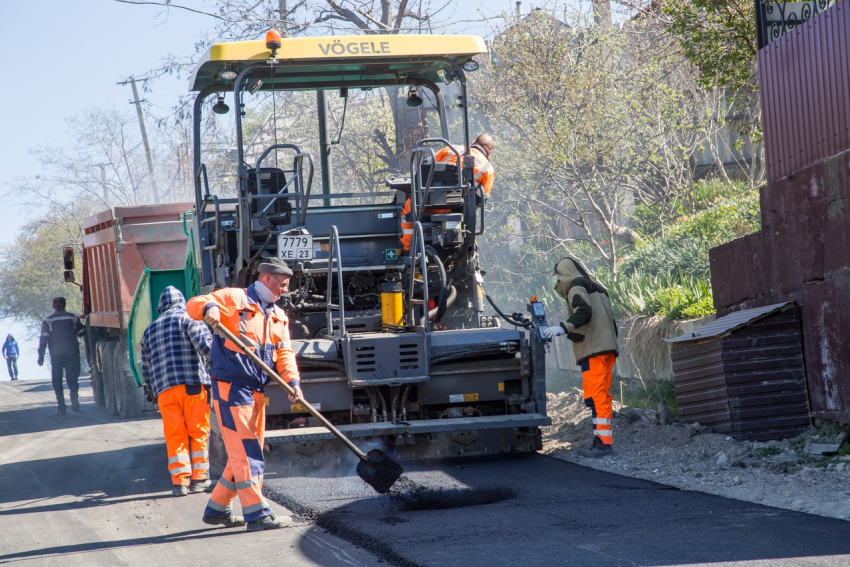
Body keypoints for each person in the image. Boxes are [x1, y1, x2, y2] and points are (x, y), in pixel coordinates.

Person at [187, 257, 303, 531]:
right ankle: (258, 514)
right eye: (283, 284)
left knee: (244, 451)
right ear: (267, 279)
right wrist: (211, 307)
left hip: (256, 391)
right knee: (247, 453)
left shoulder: (278, 316)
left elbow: (284, 354)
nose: (285, 289)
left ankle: (217, 508)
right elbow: (193, 304)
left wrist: (293, 382)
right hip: (231, 388)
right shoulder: (234, 298)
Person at [141, 286, 214, 498]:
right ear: (182, 301)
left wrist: (150, 389)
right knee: (198, 431)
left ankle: (180, 482)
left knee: (175, 435)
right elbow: (206, 348)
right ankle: (200, 479)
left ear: (161, 306)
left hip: (164, 391)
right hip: (192, 386)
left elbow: (145, 367)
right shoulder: (189, 319)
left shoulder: (150, 330)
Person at [543, 256, 619, 458]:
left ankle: (602, 445)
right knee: (602, 396)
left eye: (558, 276)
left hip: (594, 350)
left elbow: (584, 311)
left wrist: (563, 327)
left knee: (595, 398)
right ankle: (604, 441)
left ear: (565, 274)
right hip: (607, 349)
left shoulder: (576, 286)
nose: (557, 282)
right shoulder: (598, 288)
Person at [400, 134, 496, 251]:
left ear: (472, 143)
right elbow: (481, 200)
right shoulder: (488, 168)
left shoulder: (451, 149)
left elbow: (425, 166)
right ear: (489, 152)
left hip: (424, 205)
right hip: (455, 211)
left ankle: (408, 249)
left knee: (408, 209)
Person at [38, 297, 84, 414]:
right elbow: (81, 333)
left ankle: (61, 407)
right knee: (72, 377)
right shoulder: (73, 317)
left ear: (54, 306)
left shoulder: (48, 320)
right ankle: (73, 392)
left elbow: (43, 339)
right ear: (65, 305)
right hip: (72, 351)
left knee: (57, 380)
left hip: (56, 354)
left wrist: (41, 355)